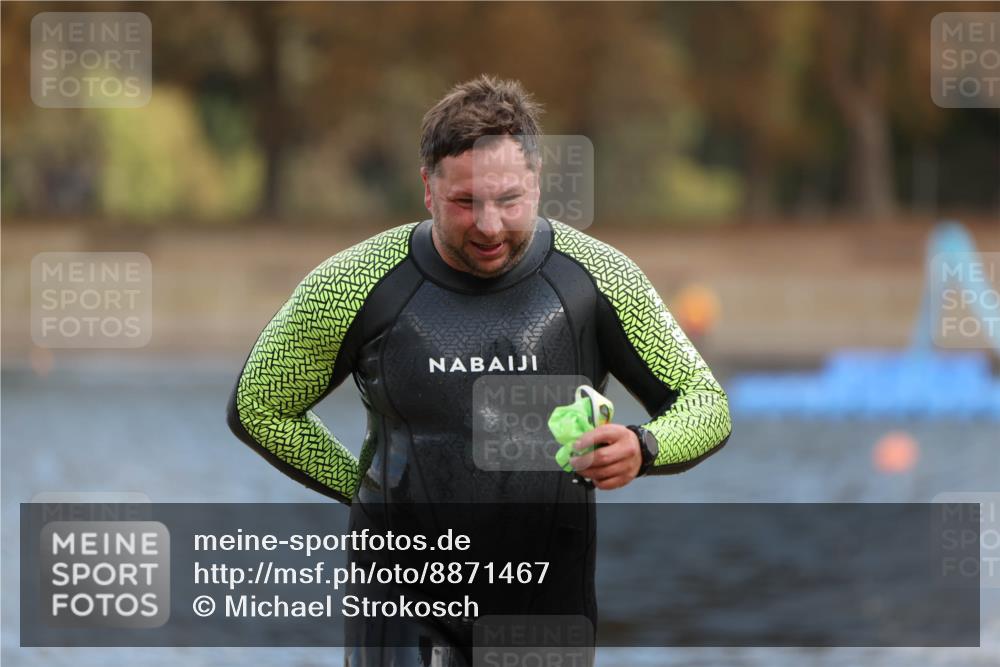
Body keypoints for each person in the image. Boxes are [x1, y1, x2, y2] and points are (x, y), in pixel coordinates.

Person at [227, 74, 732, 666]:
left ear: (538, 184)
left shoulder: (597, 279)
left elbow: (705, 403)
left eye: (508, 200)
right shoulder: (354, 282)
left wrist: (644, 447)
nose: (489, 226)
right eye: (465, 202)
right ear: (427, 188)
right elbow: (260, 403)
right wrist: (369, 494)